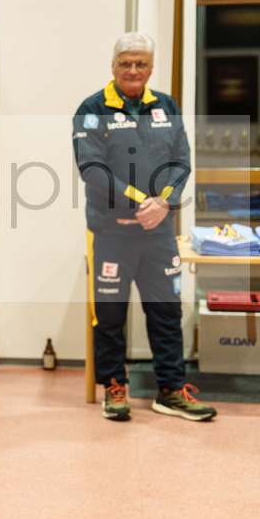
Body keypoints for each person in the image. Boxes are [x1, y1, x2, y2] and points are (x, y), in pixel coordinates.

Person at [73, 31, 217, 422]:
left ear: (151, 67)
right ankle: (114, 387)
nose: (133, 70)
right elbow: (92, 169)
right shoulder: (92, 108)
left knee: (166, 313)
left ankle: (170, 391)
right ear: (113, 66)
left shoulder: (166, 105)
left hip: (159, 233)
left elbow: (181, 161)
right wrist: (143, 202)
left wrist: (165, 202)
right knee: (110, 316)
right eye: (126, 63)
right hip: (111, 233)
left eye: (141, 63)